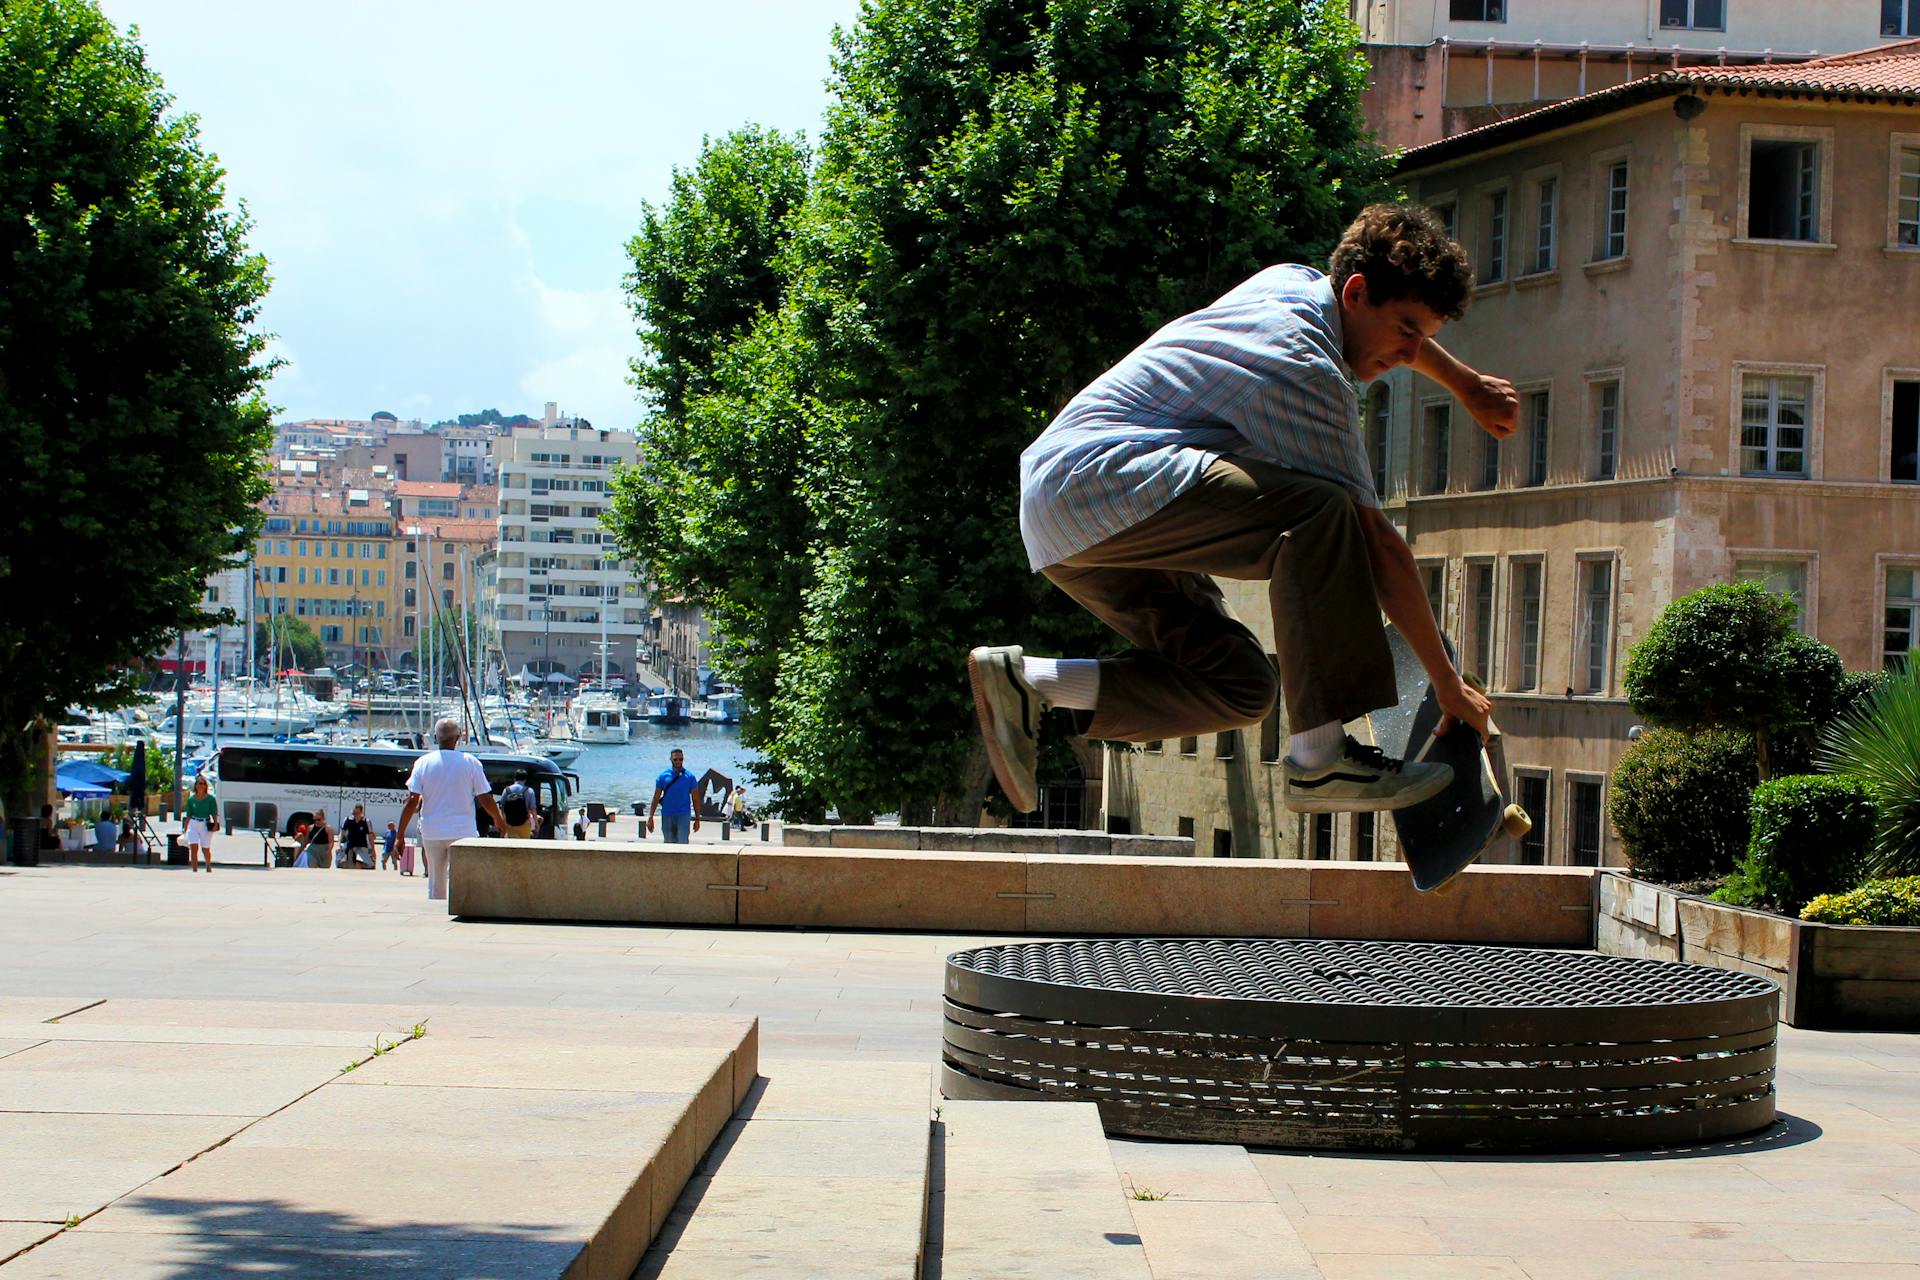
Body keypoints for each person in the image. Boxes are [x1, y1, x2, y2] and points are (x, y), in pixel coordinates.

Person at [970, 204, 1516, 815]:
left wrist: (1465, 382)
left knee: (1241, 686)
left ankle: (1031, 683)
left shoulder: (1296, 282)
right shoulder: (1308, 370)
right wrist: (1445, 682)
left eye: (1425, 341)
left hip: (1071, 522)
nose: (1408, 354)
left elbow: (1396, 323)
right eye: (1407, 334)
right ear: (1357, 294)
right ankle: (1320, 761)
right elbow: (1379, 545)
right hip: (1100, 481)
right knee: (1321, 513)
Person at [395, 717, 508, 902]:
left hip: (433, 830)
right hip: (463, 831)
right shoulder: (470, 762)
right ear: (459, 737)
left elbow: (412, 802)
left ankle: (436, 917)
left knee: (435, 881)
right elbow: (485, 798)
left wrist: (400, 836)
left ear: (436, 737)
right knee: (463, 878)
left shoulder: (423, 763)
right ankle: (462, 910)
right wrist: (498, 819)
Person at [645, 748, 701, 844]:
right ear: (670, 759)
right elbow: (656, 798)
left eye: (681, 759)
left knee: (682, 844)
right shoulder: (663, 777)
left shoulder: (690, 777)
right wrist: (651, 817)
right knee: (669, 845)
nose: (678, 762)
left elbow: (695, 799)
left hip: (683, 815)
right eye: (675, 759)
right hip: (667, 814)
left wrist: (697, 819)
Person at [182, 776, 219, 873]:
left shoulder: (210, 799)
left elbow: (214, 812)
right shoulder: (191, 799)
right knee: (194, 847)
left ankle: (208, 866)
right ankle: (194, 869)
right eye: (199, 783)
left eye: (203, 784)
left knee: (205, 848)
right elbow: (189, 815)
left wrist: (215, 824)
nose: (201, 786)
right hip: (193, 823)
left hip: (205, 823)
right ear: (196, 785)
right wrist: (185, 829)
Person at [498, 769, 538, 840]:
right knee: (525, 846)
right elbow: (533, 809)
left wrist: (504, 821)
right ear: (525, 779)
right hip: (525, 823)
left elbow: (501, 807)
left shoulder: (507, 790)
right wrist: (536, 823)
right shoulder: (529, 791)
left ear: (514, 778)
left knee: (513, 846)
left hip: (510, 823)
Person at [340, 804, 374, 870]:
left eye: (357, 813)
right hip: (351, 847)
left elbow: (370, 836)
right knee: (349, 865)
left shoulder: (366, 821)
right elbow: (342, 833)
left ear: (361, 812)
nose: (355, 815)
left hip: (362, 847)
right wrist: (339, 844)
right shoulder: (348, 820)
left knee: (367, 865)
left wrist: (373, 849)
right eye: (354, 813)